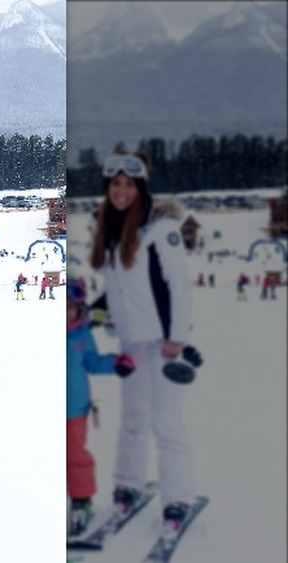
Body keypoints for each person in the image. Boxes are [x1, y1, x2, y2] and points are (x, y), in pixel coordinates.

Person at [89, 152, 196, 538]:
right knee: (133, 418)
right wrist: (92, 311)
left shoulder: (159, 229)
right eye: (115, 184)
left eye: (129, 184)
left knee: (166, 421)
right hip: (132, 341)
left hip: (164, 341)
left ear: (141, 187)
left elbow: (178, 286)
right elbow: (117, 289)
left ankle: (177, 498)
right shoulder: (111, 229)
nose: (121, 191)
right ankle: (128, 486)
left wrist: (176, 337)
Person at [65, 277, 133, 537]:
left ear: (79, 309)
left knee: (75, 456)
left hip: (74, 410)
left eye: (70, 307)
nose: (65, 313)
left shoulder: (81, 335)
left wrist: (115, 364)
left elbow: (92, 362)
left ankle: (82, 502)